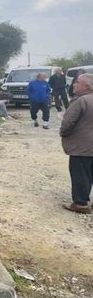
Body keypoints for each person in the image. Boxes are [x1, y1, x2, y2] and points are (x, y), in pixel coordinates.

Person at [59, 74, 93, 214]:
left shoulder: (81, 101)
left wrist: (64, 133)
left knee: (80, 173)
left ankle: (80, 203)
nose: (74, 84)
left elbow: (68, 122)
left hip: (82, 146)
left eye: (77, 82)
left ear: (86, 86)